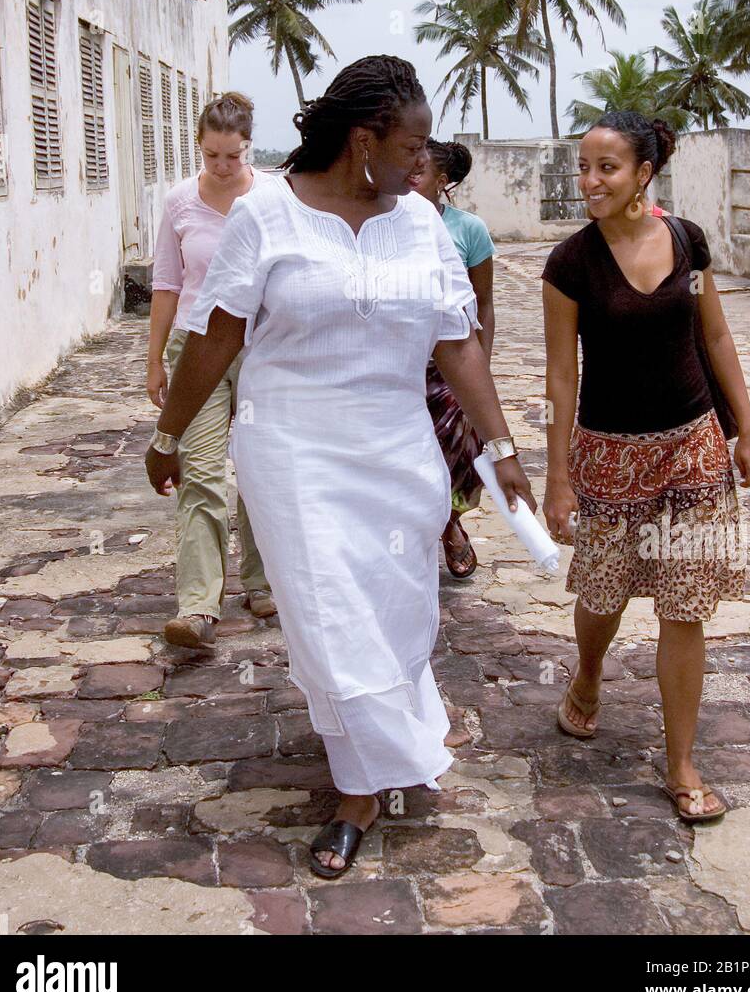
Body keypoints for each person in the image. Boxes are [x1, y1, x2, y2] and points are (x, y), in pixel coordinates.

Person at [145, 56, 535, 877]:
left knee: (392, 612)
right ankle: (360, 789)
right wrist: (171, 434)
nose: (422, 165)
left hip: (398, 450)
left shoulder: (421, 222)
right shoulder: (268, 217)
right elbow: (215, 334)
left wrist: (500, 448)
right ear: (364, 140)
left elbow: (457, 341)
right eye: (412, 147)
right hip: (293, 448)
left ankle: (379, 748)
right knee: (328, 618)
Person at [542, 112, 750, 824]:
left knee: (685, 604)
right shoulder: (570, 264)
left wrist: (748, 429)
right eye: (583, 167)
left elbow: (716, 333)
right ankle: (586, 676)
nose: (590, 181)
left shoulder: (686, 241)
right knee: (603, 596)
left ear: (644, 173)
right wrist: (557, 476)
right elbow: (559, 379)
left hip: (692, 445)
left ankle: (680, 762)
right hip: (608, 452)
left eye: (606, 167)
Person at [147, 92, 276, 649]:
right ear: (200, 149)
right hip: (195, 350)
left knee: (259, 467)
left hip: (259, 347)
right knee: (200, 472)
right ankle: (198, 605)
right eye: (212, 157)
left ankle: (262, 579)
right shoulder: (179, 203)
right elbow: (167, 285)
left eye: (234, 156)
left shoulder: (275, 197)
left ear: (250, 148)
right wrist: (155, 358)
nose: (223, 168)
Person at [411, 139, 496, 578]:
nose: (411, 175)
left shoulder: (469, 230)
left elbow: (483, 302)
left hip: (453, 365)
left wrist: (480, 362)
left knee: (454, 454)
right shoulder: (390, 220)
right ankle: (430, 528)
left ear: (441, 182)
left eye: (421, 170)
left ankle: (450, 522)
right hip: (405, 361)